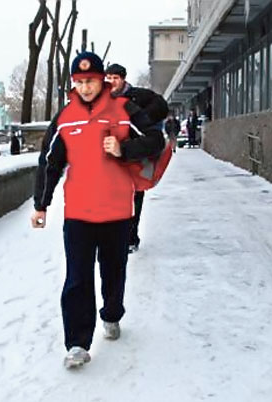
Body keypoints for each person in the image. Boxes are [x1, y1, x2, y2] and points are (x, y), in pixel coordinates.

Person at [31, 52, 164, 369]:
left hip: (117, 212)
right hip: (78, 213)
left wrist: (124, 149)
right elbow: (49, 162)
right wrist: (41, 204)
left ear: (102, 80)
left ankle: (112, 314)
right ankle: (77, 343)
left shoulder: (123, 110)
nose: (85, 87)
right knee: (77, 277)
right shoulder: (66, 117)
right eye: (79, 82)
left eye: (90, 81)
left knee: (113, 271)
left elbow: (155, 140)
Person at [105, 63, 169, 253]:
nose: (112, 82)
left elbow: (161, 106)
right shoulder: (102, 99)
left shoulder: (138, 95)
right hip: (111, 158)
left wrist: (142, 117)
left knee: (134, 198)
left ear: (123, 79)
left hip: (135, 156)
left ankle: (131, 238)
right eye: (109, 78)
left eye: (115, 78)